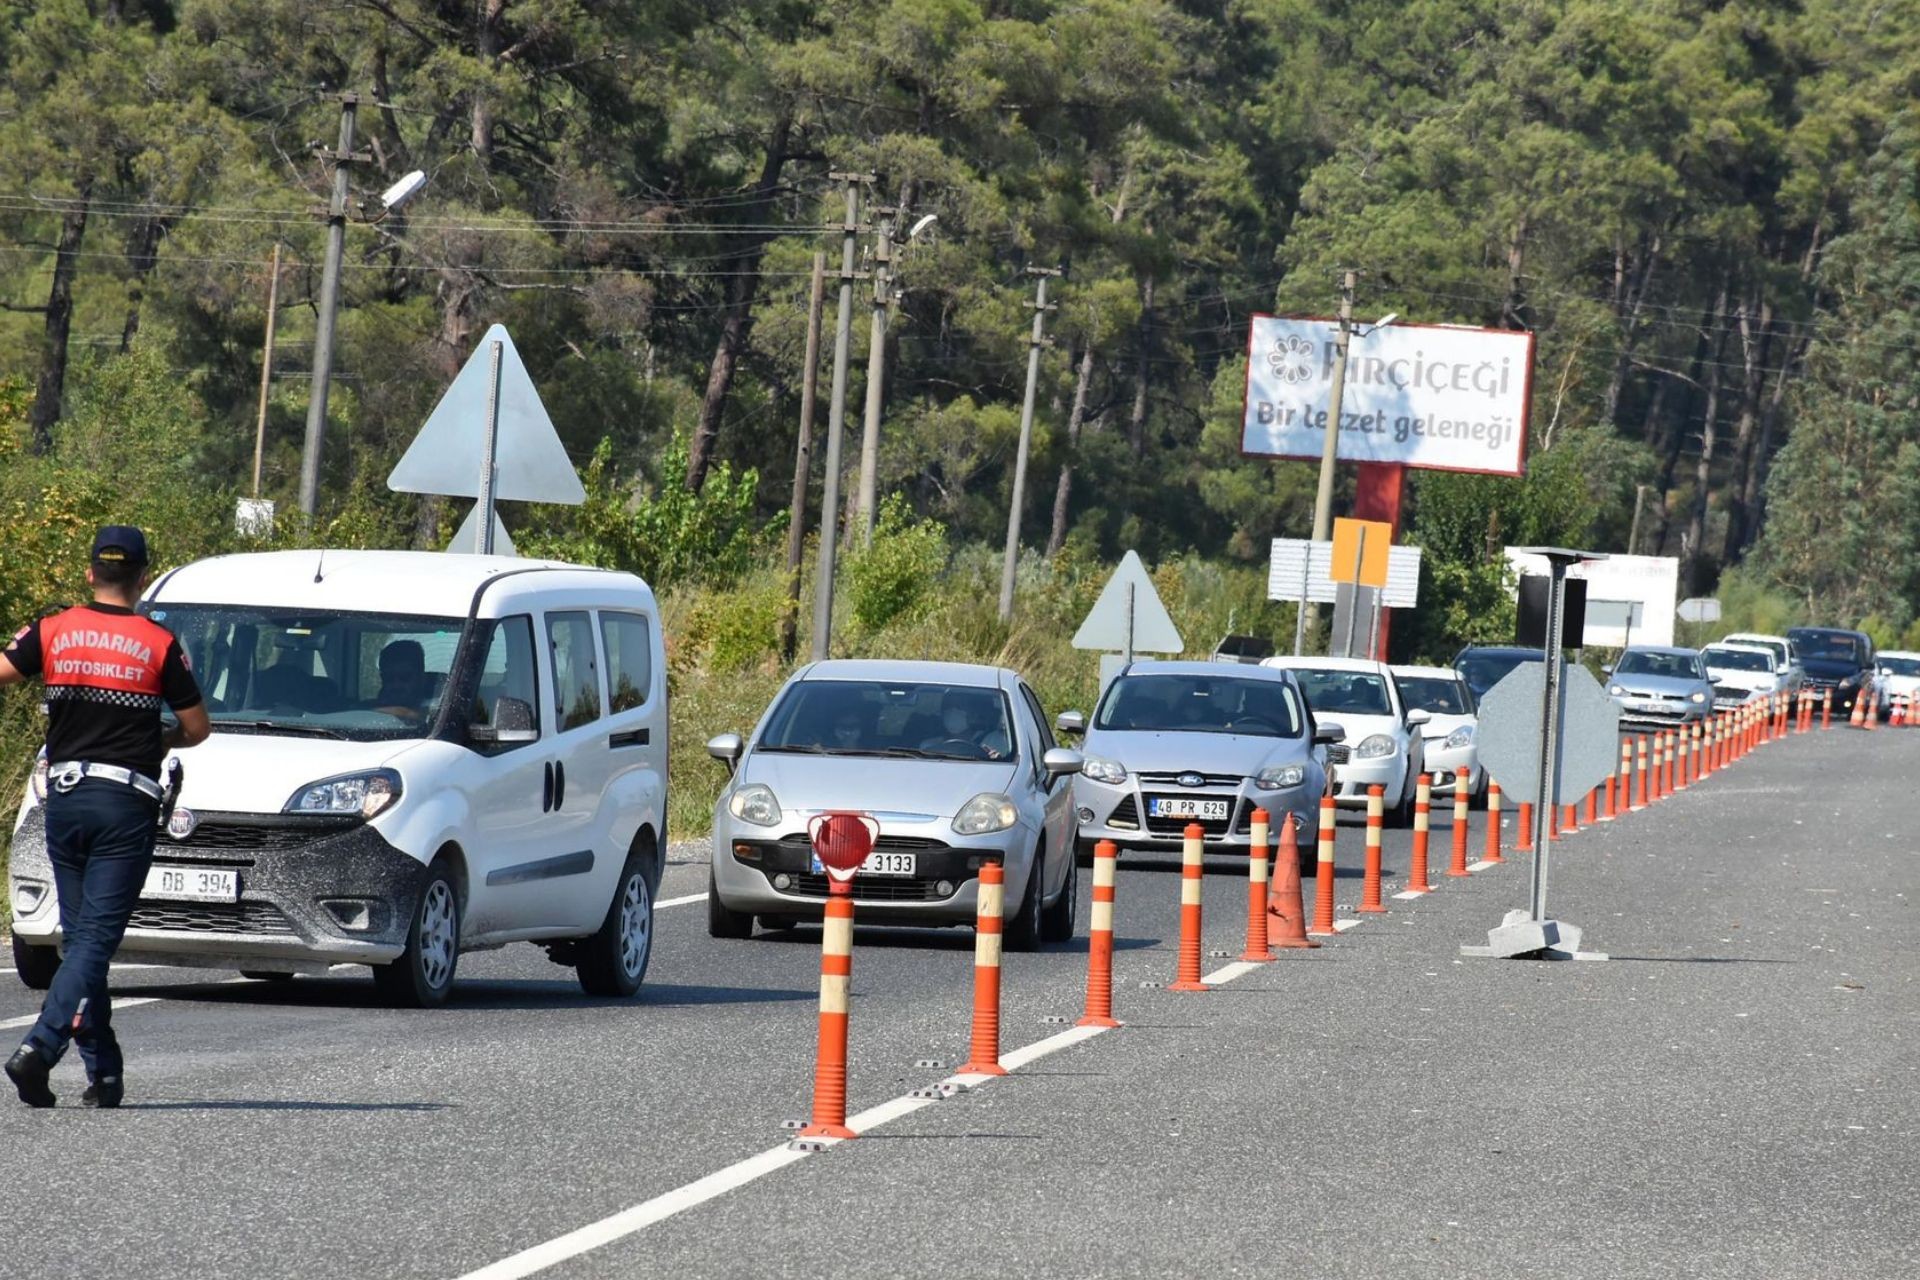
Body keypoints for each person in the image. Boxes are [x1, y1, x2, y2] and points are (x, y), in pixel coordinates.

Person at [1, 526, 209, 1109]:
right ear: (142, 577)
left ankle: (105, 1072)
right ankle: (38, 1047)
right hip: (124, 805)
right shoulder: (159, 643)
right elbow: (197, 729)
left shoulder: (53, 629)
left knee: (81, 941)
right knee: (94, 941)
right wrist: (158, 735)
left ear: (92, 572)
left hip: (63, 800)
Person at [921, 691, 1010, 759]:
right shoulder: (928, 746)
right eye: (948, 707)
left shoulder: (995, 741)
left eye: (959, 707)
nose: (952, 711)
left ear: (974, 714)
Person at [373, 638, 430, 720]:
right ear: (382, 678)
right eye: (389, 678)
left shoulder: (438, 713)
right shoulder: (361, 711)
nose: (396, 685)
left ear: (421, 678)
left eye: (404, 677)